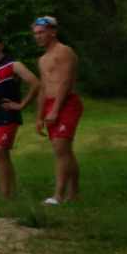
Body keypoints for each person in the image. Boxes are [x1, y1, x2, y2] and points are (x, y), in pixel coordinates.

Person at [0, 32, 37, 201]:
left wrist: (22, 105)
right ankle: (11, 192)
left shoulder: (13, 64)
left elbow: (35, 83)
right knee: (1, 156)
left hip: (8, 114)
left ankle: (3, 196)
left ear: (1, 45)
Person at [32, 15, 83, 205]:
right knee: (65, 151)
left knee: (61, 148)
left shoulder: (64, 52)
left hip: (67, 103)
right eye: (35, 33)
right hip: (50, 104)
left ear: (53, 32)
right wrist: (39, 116)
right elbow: (44, 88)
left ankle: (58, 195)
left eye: (41, 33)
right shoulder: (42, 59)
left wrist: (55, 110)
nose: (38, 37)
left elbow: (65, 81)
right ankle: (74, 193)